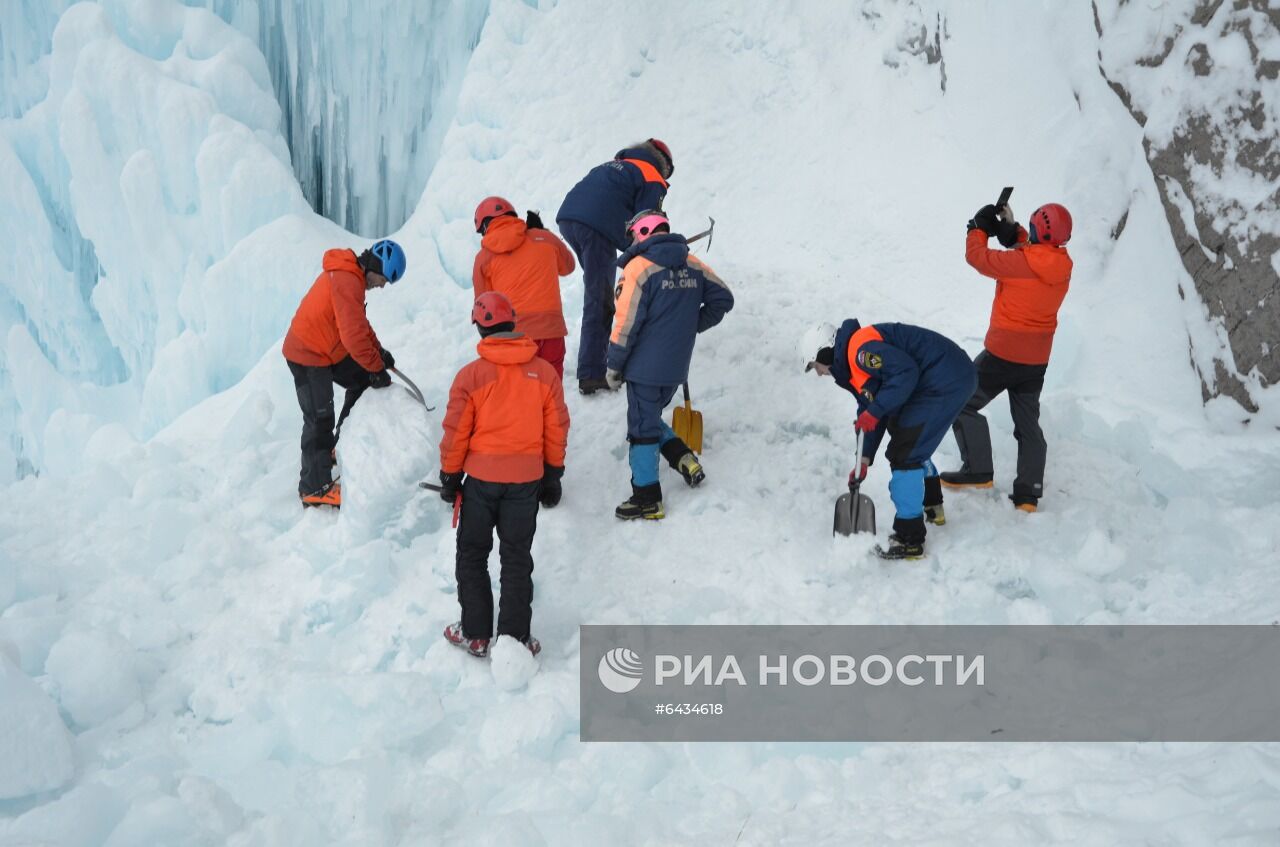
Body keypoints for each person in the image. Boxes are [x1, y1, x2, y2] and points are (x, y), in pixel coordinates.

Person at [438, 292, 570, 658]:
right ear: (513, 323)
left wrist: (450, 476)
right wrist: (553, 473)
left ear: (481, 327)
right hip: (526, 481)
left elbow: (456, 431)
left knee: (473, 553)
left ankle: (476, 634)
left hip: (480, 482)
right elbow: (556, 427)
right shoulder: (542, 372)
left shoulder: (471, 376)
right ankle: (514, 639)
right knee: (516, 557)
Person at [942, 200, 1073, 513]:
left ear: (1039, 231)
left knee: (960, 401)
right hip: (1035, 361)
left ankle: (978, 470)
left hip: (1002, 356)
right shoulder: (1062, 265)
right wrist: (1012, 230)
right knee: (1028, 426)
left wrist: (978, 229)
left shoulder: (1021, 265)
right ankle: (1029, 495)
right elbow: (1035, 252)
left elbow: (978, 257)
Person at [806, 319, 976, 559]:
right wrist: (863, 459)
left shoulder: (861, 353)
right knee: (907, 435)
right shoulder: (854, 364)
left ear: (824, 352)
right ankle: (932, 504)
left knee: (905, 452)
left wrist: (874, 412)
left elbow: (906, 373)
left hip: (944, 379)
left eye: (816, 366)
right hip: (943, 377)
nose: (820, 374)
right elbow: (871, 407)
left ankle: (909, 538)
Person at [607, 210, 734, 520]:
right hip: (676, 366)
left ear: (640, 234)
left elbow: (626, 322)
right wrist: (689, 326)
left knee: (641, 427)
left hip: (643, 366)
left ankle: (647, 497)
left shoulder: (639, 267)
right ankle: (685, 460)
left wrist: (614, 364)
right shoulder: (692, 263)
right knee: (649, 416)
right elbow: (723, 299)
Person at [283, 239, 406, 508]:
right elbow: (352, 337)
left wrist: (378, 351)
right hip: (307, 353)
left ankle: (338, 444)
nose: (383, 285)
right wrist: (375, 367)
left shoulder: (351, 279)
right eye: (384, 278)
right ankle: (314, 486)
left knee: (361, 380)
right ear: (375, 265)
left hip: (327, 349)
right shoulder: (347, 279)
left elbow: (358, 325)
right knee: (319, 416)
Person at [556, 139, 674, 395]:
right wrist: (664, 248)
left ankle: (600, 358)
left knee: (600, 292)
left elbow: (618, 217)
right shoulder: (651, 174)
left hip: (570, 219)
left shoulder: (615, 165)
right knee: (600, 300)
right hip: (597, 227)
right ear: (664, 164)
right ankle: (591, 374)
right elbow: (647, 221)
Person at [472, 196, 576, 379]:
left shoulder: (484, 258)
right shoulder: (545, 239)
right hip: (552, 332)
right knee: (551, 394)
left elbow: (484, 307)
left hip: (513, 337)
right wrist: (542, 232)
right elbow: (568, 266)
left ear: (486, 226)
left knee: (521, 396)